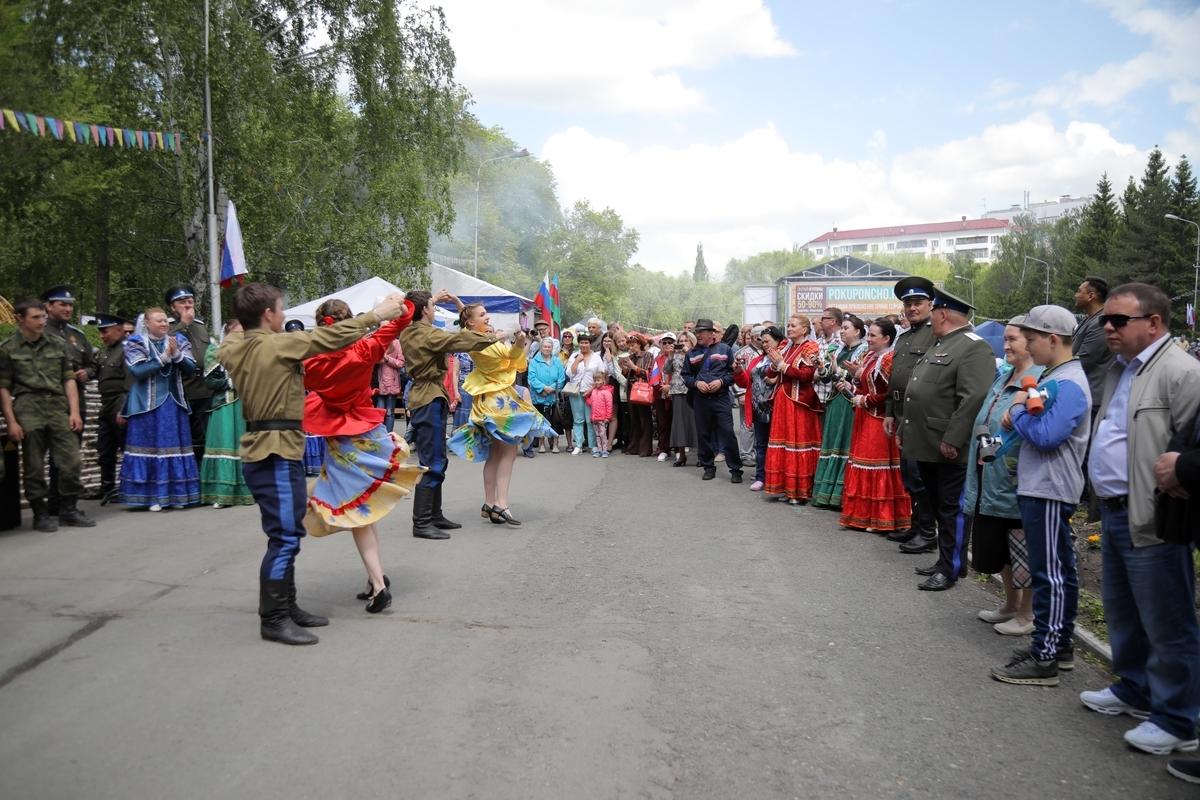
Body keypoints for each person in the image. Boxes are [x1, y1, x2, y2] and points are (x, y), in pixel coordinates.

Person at [219, 282, 410, 646]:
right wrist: (376, 316)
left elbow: (229, 337)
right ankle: (274, 618)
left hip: (268, 449)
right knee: (285, 537)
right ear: (268, 315)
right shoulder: (279, 345)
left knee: (287, 532)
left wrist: (239, 322)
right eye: (280, 308)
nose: (283, 314)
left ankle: (287, 607)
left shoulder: (234, 348)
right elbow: (331, 339)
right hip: (275, 451)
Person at [1079, 283, 1200, 754]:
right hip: (1113, 511)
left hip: (1152, 515)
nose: (1107, 327)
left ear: (1153, 323)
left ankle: (1178, 719)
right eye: (1105, 320)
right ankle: (1134, 689)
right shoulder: (1122, 368)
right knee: (1123, 609)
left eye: (1118, 321)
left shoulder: (1181, 372)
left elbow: (1191, 447)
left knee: (1168, 619)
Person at [987, 306, 1091, 686]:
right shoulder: (1056, 376)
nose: (1026, 344)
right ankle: (1057, 647)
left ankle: (1045, 655)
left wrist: (1019, 414)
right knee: (1055, 570)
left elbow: (1047, 435)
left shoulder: (1070, 383)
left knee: (1050, 574)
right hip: (1040, 485)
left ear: (1052, 339)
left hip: (1049, 488)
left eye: (1031, 338)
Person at [303, 298, 422, 614]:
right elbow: (405, 316)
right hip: (367, 433)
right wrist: (399, 305)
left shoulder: (311, 360)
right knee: (362, 513)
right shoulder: (366, 348)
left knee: (358, 514)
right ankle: (375, 578)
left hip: (340, 438)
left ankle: (379, 585)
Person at [900, 288, 995, 591]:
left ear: (941, 313)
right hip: (928, 441)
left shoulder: (972, 347)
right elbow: (919, 389)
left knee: (951, 509)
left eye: (933, 313)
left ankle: (952, 567)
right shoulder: (943, 343)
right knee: (940, 505)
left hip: (948, 445)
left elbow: (973, 398)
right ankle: (944, 560)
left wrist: (954, 438)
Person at [960, 319, 1041, 636]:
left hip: (1013, 478)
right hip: (989, 471)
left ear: (1031, 341)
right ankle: (1010, 604)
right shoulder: (1006, 375)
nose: (1006, 346)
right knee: (1001, 549)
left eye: (1013, 340)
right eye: (1005, 340)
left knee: (1021, 548)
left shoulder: (1038, 381)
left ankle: (1027, 614)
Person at [398, 290, 498, 539]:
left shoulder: (410, 331)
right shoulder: (427, 334)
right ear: (424, 311)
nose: (434, 309)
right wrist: (492, 337)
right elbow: (459, 341)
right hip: (428, 397)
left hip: (429, 394)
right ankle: (421, 522)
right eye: (431, 305)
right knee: (432, 462)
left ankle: (434, 515)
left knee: (437, 458)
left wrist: (440, 298)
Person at [447, 304, 555, 526]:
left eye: (487, 313)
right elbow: (469, 329)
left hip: (500, 398)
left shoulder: (486, 337)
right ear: (470, 322)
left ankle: (491, 503)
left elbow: (513, 358)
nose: (488, 317)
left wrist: (518, 340)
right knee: (508, 451)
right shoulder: (474, 339)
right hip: (497, 400)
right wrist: (501, 335)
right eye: (482, 315)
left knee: (497, 454)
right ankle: (501, 504)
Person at [0, 298, 96, 530]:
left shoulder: (56, 343)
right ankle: (40, 512)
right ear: (20, 319)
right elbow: (3, 387)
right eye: (36, 317)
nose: (42, 321)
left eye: (43, 316)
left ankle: (68, 508)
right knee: (33, 464)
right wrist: (11, 421)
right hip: (28, 405)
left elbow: (68, 379)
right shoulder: (8, 348)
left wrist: (74, 411)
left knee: (71, 459)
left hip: (57, 406)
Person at [119, 307, 201, 511]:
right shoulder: (135, 342)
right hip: (145, 405)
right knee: (151, 447)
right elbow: (137, 371)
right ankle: (151, 496)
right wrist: (163, 358)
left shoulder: (178, 339)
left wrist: (178, 357)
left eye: (166, 320)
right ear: (147, 323)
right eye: (159, 321)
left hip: (174, 402)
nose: (164, 324)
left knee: (173, 447)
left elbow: (191, 369)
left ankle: (178, 496)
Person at [839, 319, 910, 533]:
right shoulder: (871, 356)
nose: (868, 339)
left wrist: (866, 400)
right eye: (868, 335)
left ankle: (882, 518)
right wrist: (852, 384)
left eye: (873, 336)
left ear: (887, 338)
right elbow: (866, 384)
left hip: (878, 419)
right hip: (864, 417)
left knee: (875, 466)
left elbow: (892, 393)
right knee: (861, 463)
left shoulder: (889, 359)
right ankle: (863, 516)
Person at [886, 277, 939, 551]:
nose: (912, 308)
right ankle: (916, 525)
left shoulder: (936, 334)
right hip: (901, 414)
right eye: (907, 304)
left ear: (931, 304)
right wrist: (889, 413)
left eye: (917, 303)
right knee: (908, 475)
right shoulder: (904, 337)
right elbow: (895, 377)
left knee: (920, 477)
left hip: (922, 416)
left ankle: (928, 533)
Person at [40, 285, 95, 513]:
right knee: (53, 458)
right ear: (48, 306)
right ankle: (55, 504)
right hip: (48, 403)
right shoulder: (41, 333)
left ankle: (64, 505)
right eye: (62, 304)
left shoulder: (77, 335)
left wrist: (87, 373)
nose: (68, 308)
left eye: (70, 304)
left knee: (71, 456)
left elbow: (93, 364)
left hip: (76, 403)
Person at [763, 315, 823, 503]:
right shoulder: (784, 346)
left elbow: (807, 374)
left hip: (799, 402)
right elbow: (769, 372)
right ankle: (786, 487)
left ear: (805, 329)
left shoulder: (810, 346)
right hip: (782, 399)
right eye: (787, 325)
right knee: (784, 442)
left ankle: (800, 490)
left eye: (793, 325)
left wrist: (782, 365)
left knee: (797, 442)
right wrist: (775, 364)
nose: (788, 328)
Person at [812, 314, 868, 508]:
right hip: (834, 401)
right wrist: (821, 368)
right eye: (842, 328)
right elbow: (827, 376)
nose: (842, 331)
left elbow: (861, 378)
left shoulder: (864, 351)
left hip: (849, 403)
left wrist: (839, 372)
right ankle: (825, 493)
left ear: (857, 331)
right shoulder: (839, 349)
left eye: (846, 328)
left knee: (845, 444)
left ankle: (842, 494)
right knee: (831, 442)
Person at [199, 320, 255, 508]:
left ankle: (244, 490)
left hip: (244, 406)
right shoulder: (215, 351)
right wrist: (233, 383)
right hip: (224, 405)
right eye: (237, 333)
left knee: (244, 446)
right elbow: (210, 381)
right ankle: (221, 494)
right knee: (225, 445)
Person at [684, 319, 744, 483]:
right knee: (703, 435)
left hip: (721, 398)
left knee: (728, 433)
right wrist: (697, 383)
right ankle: (708, 467)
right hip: (700, 399)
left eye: (701, 332)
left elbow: (733, 374)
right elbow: (686, 376)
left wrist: (721, 382)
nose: (698, 335)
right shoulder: (691, 353)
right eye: (697, 332)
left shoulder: (725, 350)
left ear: (711, 333)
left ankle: (736, 469)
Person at [166, 284, 214, 467]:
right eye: (181, 303)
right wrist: (183, 324)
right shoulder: (169, 325)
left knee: (203, 436)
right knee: (183, 437)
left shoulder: (201, 326)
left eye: (190, 301)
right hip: (182, 389)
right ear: (172, 307)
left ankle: (201, 475)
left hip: (204, 389)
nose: (187, 305)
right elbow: (163, 344)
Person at [733, 325, 783, 492]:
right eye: (763, 341)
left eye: (768, 341)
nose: (765, 344)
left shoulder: (783, 358)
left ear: (778, 341)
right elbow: (745, 381)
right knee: (761, 444)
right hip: (759, 408)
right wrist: (739, 371)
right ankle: (761, 476)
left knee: (777, 444)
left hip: (777, 407)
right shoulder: (758, 359)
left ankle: (776, 477)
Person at [89, 313, 130, 504]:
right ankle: (107, 486)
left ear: (119, 330)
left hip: (119, 403)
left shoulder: (127, 349)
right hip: (106, 405)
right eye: (100, 332)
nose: (102, 336)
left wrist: (125, 408)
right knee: (105, 448)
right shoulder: (104, 352)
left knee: (125, 446)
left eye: (105, 331)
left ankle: (128, 486)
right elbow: (95, 370)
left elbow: (130, 383)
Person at [1072, 276, 1114, 420]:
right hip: (1086, 395)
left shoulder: (1100, 323)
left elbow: (1083, 361)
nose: (1075, 295)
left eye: (1079, 291)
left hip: (1094, 399)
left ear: (1091, 296)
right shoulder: (1089, 319)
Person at [564, 335, 603, 454]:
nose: (584, 345)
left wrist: (592, 389)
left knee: (590, 419)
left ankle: (592, 445)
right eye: (581, 343)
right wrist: (577, 360)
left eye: (586, 342)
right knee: (578, 419)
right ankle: (579, 445)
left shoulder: (596, 357)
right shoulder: (574, 355)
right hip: (576, 391)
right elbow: (570, 373)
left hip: (591, 392)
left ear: (590, 344)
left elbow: (601, 374)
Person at [663, 331, 697, 466]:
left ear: (692, 342)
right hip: (677, 390)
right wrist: (670, 355)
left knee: (693, 423)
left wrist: (688, 352)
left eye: (685, 340)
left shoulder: (695, 354)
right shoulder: (675, 354)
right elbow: (666, 370)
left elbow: (698, 368)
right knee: (679, 424)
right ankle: (681, 455)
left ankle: (701, 455)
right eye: (680, 341)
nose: (682, 343)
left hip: (691, 390)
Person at [528, 336, 566, 453]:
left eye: (549, 347)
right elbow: (531, 378)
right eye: (545, 346)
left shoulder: (557, 361)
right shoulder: (534, 361)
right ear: (541, 347)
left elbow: (561, 378)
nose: (547, 349)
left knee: (555, 421)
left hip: (554, 397)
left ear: (552, 348)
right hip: (539, 396)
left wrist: (553, 388)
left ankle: (555, 444)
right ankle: (541, 444)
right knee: (541, 421)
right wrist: (543, 388)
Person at [624, 332, 655, 457]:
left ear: (639, 344)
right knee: (634, 419)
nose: (631, 347)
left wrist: (633, 367)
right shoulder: (630, 357)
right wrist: (625, 367)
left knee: (644, 419)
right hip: (631, 389)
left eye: (633, 344)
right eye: (630, 345)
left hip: (642, 390)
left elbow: (648, 373)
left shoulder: (648, 355)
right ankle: (634, 447)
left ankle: (645, 448)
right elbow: (626, 374)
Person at [651, 333, 674, 461]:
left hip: (675, 394)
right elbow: (654, 377)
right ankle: (664, 448)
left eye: (670, 342)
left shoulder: (679, 358)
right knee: (662, 423)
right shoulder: (657, 359)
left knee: (675, 422)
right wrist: (663, 387)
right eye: (664, 342)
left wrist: (670, 387)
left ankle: (677, 448)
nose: (667, 345)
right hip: (661, 395)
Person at [375, 337, 405, 433]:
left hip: (392, 383)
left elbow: (401, 363)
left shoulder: (396, 343)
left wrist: (387, 358)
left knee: (389, 412)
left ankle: (389, 436)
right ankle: (380, 436)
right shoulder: (376, 342)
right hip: (378, 383)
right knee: (379, 412)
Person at [587, 369, 615, 457]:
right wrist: (586, 397)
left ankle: (605, 450)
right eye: (595, 380)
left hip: (603, 418)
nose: (596, 382)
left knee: (603, 434)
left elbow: (609, 406)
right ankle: (599, 449)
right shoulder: (594, 391)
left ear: (603, 381)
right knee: (597, 435)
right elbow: (591, 403)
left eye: (598, 380)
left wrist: (607, 417)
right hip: (595, 418)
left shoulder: (607, 392)